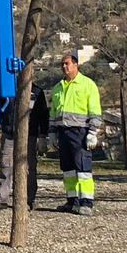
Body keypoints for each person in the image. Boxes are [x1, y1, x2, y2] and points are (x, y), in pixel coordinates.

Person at [49, 52, 102, 216]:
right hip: (63, 133)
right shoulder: (58, 88)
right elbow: (53, 113)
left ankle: (86, 202)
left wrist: (93, 132)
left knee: (83, 169)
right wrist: (51, 133)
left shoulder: (87, 85)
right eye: (62, 64)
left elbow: (95, 111)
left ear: (75, 65)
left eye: (67, 64)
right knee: (68, 169)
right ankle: (72, 201)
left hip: (80, 132)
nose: (64, 67)